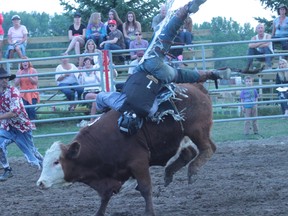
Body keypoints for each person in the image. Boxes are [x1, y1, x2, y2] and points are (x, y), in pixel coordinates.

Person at [96, 0, 223, 135]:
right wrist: (104, 110)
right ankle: (186, 10)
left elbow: (157, 104)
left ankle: (210, 74)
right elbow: (101, 97)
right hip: (146, 67)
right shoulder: (119, 103)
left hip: (160, 75)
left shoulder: (147, 111)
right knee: (166, 34)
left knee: (181, 75)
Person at [0, 67, 43, 181]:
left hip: (21, 127)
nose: (4, 80)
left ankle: (45, 165)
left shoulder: (13, 91)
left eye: (6, 78)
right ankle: (7, 169)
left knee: (32, 157)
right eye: (2, 78)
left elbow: (14, 112)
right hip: (8, 127)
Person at [14, 57, 40, 130]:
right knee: (25, 108)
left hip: (32, 92)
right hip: (23, 93)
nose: (25, 63)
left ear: (29, 63)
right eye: (23, 62)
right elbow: (15, 84)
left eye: (26, 62)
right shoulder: (19, 71)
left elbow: (35, 82)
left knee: (31, 108)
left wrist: (29, 76)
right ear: (21, 64)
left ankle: (33, 124)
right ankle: (26, 124)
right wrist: (20, 76)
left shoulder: (33, 70)